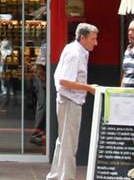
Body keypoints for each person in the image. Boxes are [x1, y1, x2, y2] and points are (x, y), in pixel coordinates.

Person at [45, 23, 98, 180]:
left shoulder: (75, 49)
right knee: (69, 143)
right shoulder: (75, 53)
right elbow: (64, 80)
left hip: (68, 100)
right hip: (70, 100)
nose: (96, 43)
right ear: (82, 38)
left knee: (63, 141)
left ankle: (55, 176)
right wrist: (88, 87)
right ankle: (66, 177)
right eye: (93, 39)